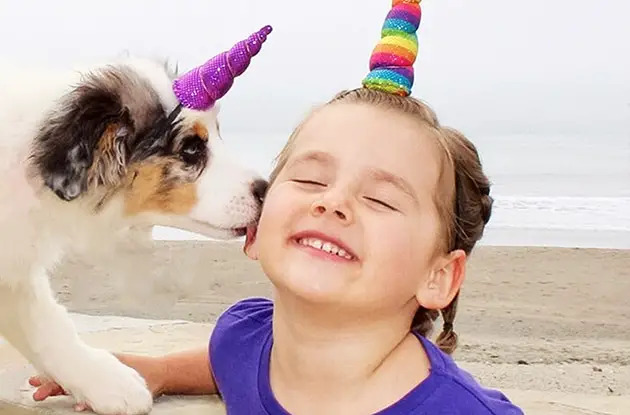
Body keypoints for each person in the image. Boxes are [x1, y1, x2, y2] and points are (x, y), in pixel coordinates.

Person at [30, 1, 524, 413]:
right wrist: (156, 370)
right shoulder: (243, 336)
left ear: (438, 276)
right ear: (257, 224)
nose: (333, 202)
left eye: (379, 197)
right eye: (310, 178)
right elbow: (226, 360)